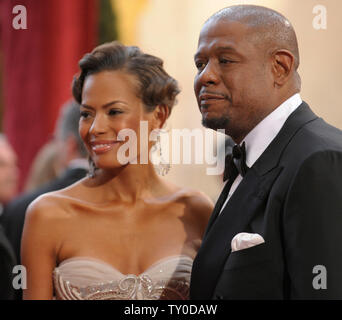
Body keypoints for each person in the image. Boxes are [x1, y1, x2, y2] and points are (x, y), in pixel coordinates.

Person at [21, 41, 213, 300]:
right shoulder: (48, 215)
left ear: (159, 116)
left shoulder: (195, 210)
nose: (95, 128)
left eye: (114, 112)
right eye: (87, 114)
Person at [190, 5, 342, 300]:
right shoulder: (249, 158)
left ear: (280, 68)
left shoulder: (319, 160)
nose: (205, 77)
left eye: (225, 60)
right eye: (200, 64)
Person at [2, 100, 88, 267]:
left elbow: (16, 281)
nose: (13, 173)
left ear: (69, 145)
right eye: (2, 164)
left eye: (14, 164)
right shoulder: (128, 203)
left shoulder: (23, 208)